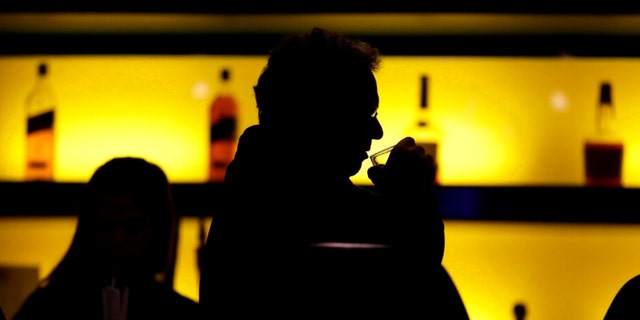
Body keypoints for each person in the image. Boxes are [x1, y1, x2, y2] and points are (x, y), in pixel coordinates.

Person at [199, 27, 469, 319]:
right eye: (365, 115)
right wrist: (412, 200)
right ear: (321, 117)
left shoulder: (249, 193)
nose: (377, 132)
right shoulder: (309, 208)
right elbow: (413, 278)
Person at [13, 157, 201, 320]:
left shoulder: (183, 315)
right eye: (105, 225)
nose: (117, 239)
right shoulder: (45, 308)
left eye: (132, 227)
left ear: (159, 228)